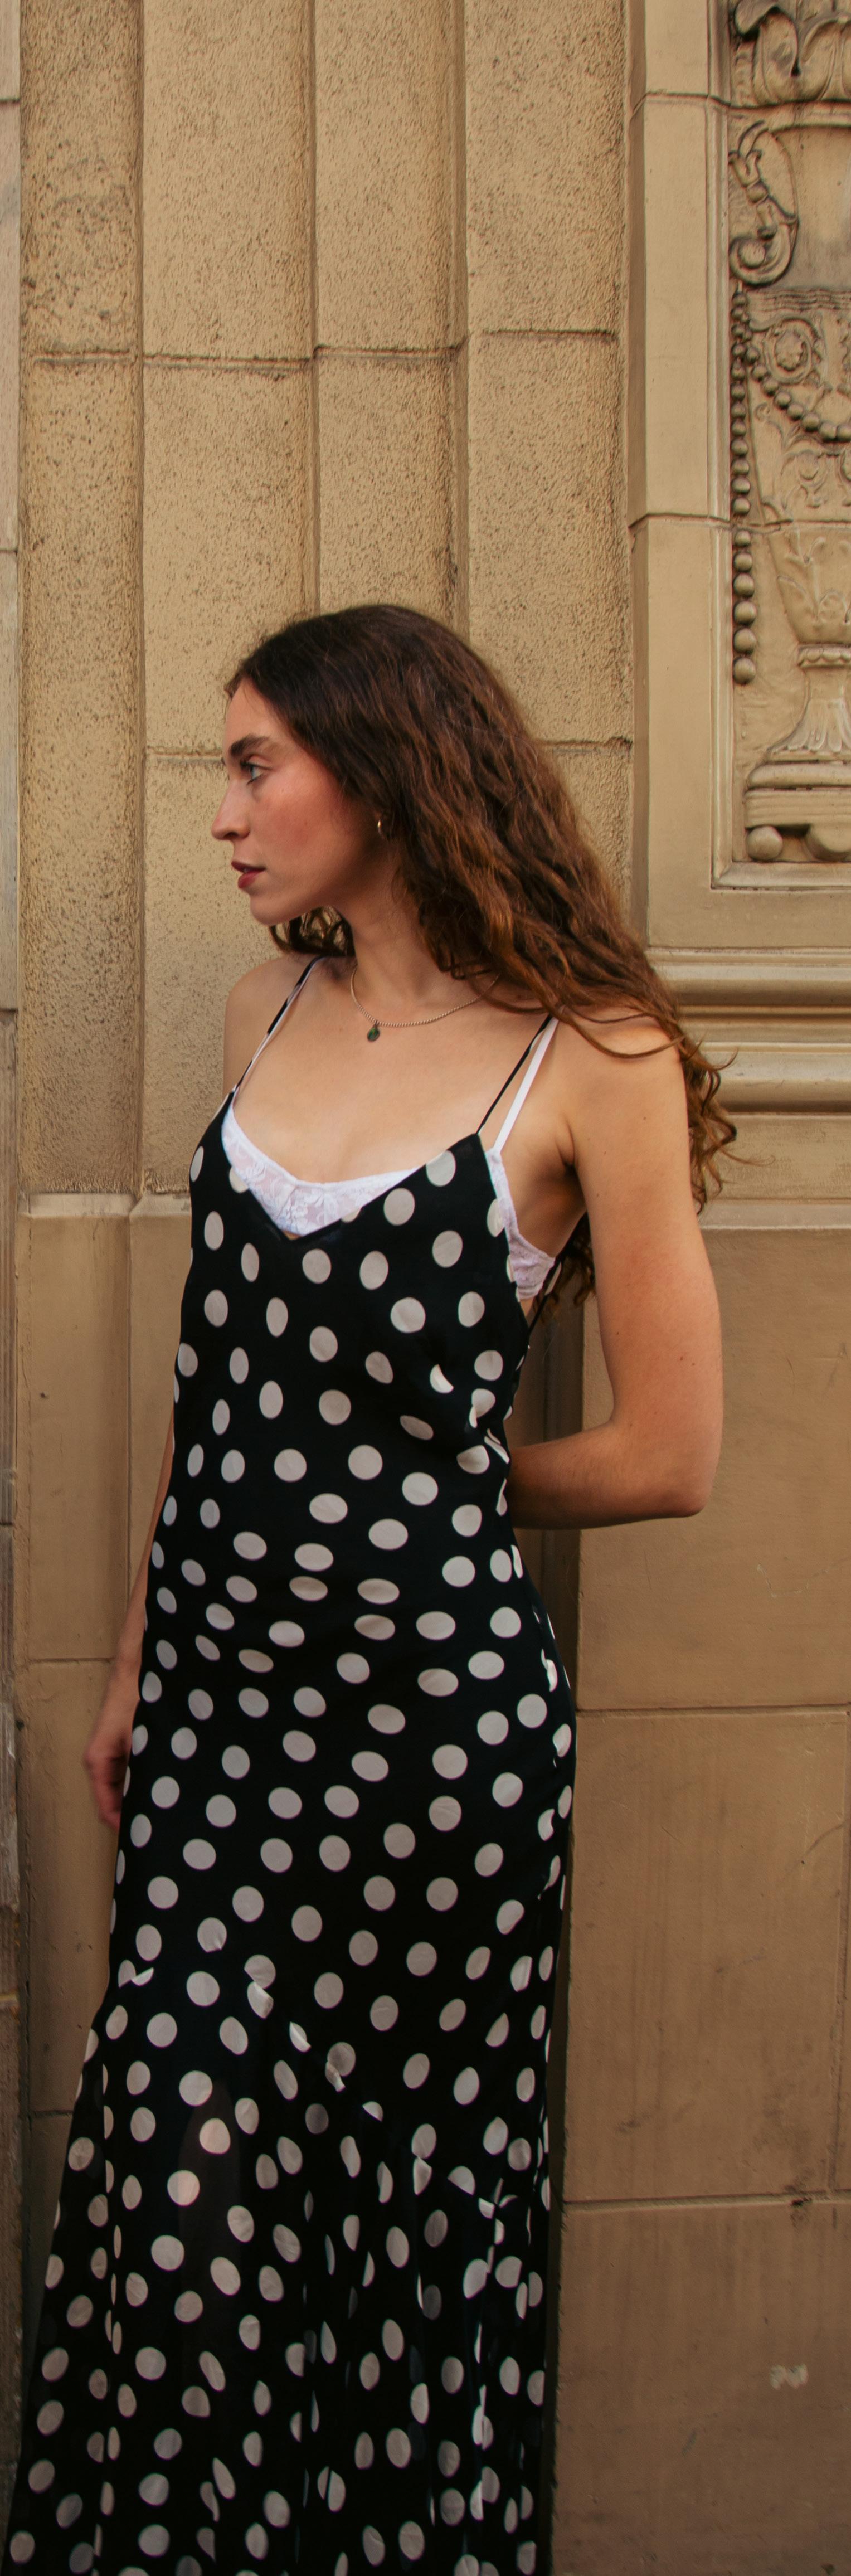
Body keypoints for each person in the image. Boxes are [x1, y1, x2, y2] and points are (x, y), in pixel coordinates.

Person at [3, 605, 727, 2576]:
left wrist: (411, 1490)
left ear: (388, 769)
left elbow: (670, 1453)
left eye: (259, 765)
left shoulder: (595, 1059)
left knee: (395, 2237)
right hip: (222, 1731)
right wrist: (141, 1659)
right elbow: (215, 1383)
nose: (225, 812)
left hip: (432, 1762)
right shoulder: (261, 1012)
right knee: (183, 2208)